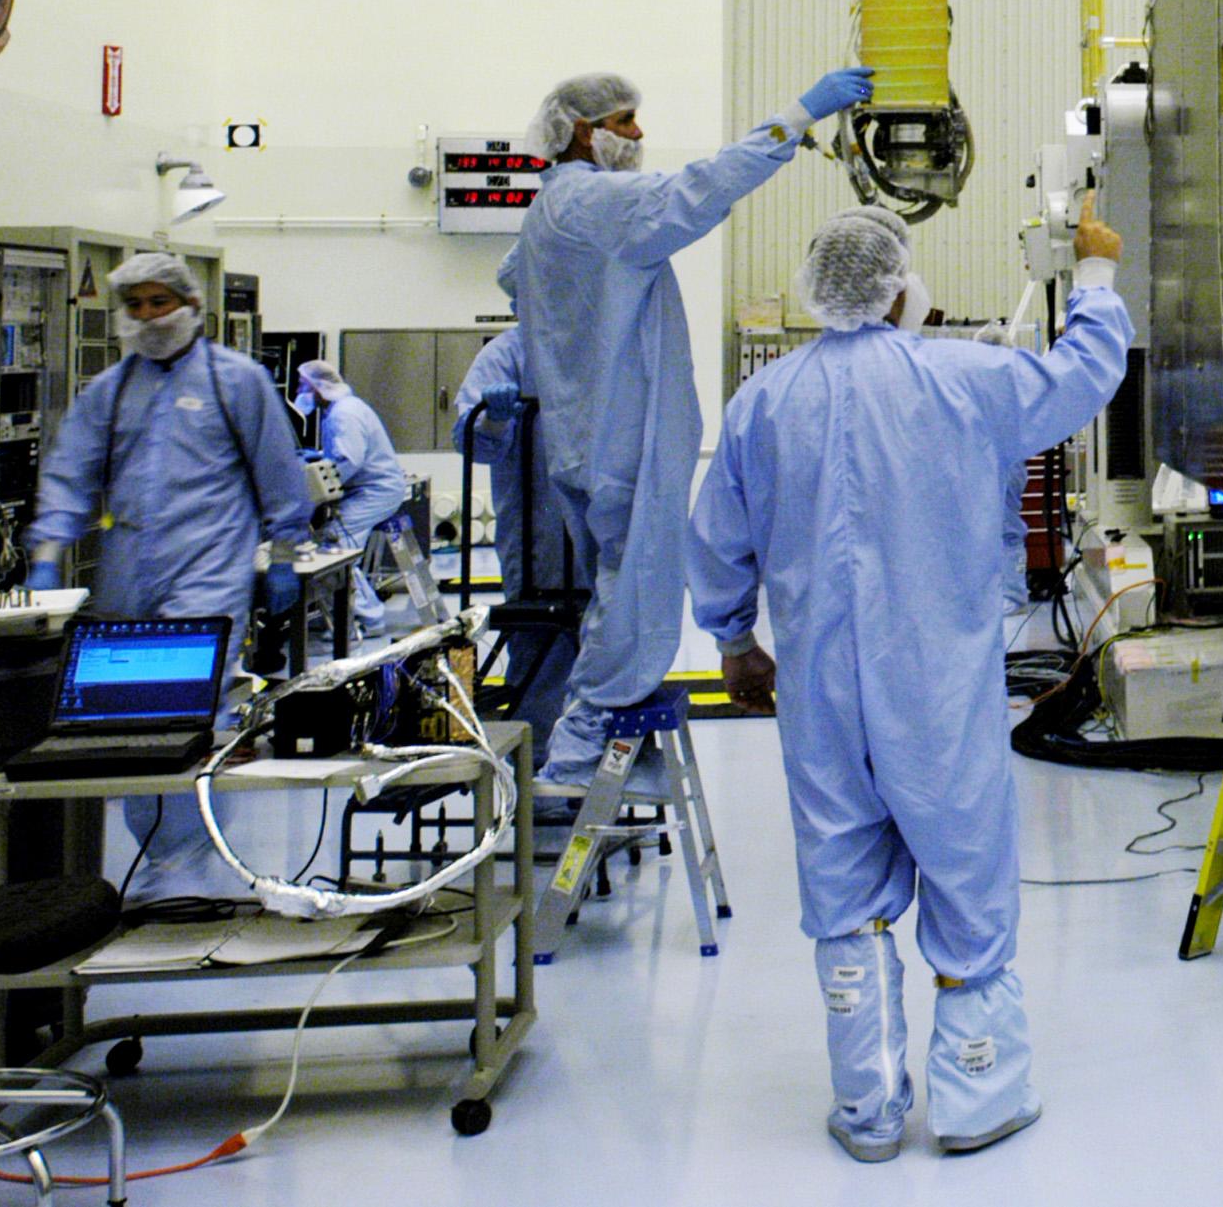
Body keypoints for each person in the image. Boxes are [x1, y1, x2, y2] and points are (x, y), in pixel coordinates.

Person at [688, 204, 1131, 1162]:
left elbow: (718, 537)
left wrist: (735, 644)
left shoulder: (763, 403)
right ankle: (977, 1096)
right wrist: (1094, 277)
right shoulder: (962, 377)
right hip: (936, 684)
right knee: (965, 868)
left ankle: (868, 1107)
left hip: (819, 693)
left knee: (844, 880)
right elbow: (1081, 377)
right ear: (897, 288)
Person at [511, 65, 873, 793]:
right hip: (621, 437)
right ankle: (579, 752)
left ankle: (598, 743)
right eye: (624, 120)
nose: (637, 133)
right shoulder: (594, 202)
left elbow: (511, 278)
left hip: (579, 434)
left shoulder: (547, 211)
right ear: (582, 131)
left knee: (614, 587)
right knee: (636, 588)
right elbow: (701, 188)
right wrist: (796, 115)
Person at [24, 254, 319, 903]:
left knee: (190, 704)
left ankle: (188, 857)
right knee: (128, 710)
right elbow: (71, 474)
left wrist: (283, 555)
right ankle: (161, 853)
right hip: (128, 566)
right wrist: (48, 550)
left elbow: (278, 473)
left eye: (161, 302)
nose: (150, 316)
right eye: (137, 305)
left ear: (191, 306)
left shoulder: (235, 381)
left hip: (208, 563)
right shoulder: (111, 390)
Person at [453, 301, 580, 752]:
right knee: (539, 649)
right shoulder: (507, 354)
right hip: (537, 537)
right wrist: (494, 417)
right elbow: (473, 443)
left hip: (600, 534)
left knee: (606, 648)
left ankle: (593, 762)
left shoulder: (602, 348)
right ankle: (537, 767)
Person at [291, 359, 407, 640]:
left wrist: (313, 492)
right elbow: (344, 453)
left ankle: (365, 619)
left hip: (375, 491)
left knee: (335, 549)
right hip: (373, 488)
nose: (299, 392)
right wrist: (318, 457)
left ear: (318, 387)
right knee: (335, 547)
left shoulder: (344, 414)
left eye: (303, 386)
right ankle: (355, 615)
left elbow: (348, 460)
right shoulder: (344, 409)